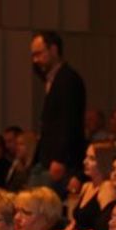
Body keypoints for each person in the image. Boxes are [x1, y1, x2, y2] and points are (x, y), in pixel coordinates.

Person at [32, 30, 87, 184]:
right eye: (33, 55)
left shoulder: (68, 79)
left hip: (59, 161)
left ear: (53, 50)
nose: (35, 60)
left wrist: (60, 158)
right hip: (47, 158)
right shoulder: (52, 80)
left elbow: (69, 121)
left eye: (39, 54)